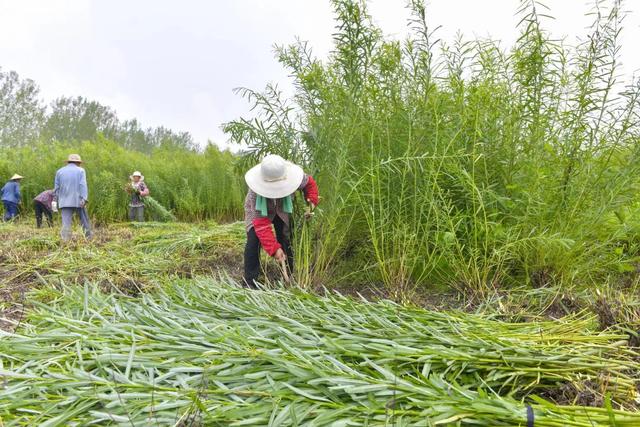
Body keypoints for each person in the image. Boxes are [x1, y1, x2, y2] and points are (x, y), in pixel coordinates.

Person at [243, 154, 319, 288]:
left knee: (285, 237)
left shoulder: (296, 177)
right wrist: (274, 249)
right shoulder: (255, 192)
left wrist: (311, 204)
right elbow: (261, 226)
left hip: (282, 206)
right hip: (260, 209)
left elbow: (310, 184)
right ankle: (250, 282)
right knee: (253, 241)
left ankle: (288, 274)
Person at [54, 154, 92, 241]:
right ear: (78, 162)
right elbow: (82, 185)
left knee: (66, 223)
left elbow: (56, 189)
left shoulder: (59, 171)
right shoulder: (80, 171)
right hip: (78, 200)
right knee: (84, 221)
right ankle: (88, 239)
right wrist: (84, 198)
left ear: (68, 162)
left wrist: (58, 199)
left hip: (64, 201)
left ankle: (65, 241)